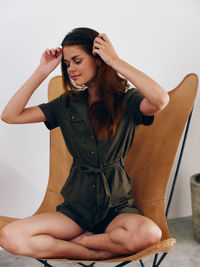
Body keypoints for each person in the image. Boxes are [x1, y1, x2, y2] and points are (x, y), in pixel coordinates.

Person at [0, 27, 169, 260]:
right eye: (67, 64)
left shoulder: (128, 101)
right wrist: (42, 70)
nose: (71, 69)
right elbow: (10, 116)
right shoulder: (65, 104)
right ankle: (91, 251)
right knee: (10, 236)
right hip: (75, 212)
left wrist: (115, 60)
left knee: (149, 233)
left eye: (77, 61)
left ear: (98, 59)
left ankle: (87, 242)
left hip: (118, 210)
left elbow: (160, 99)